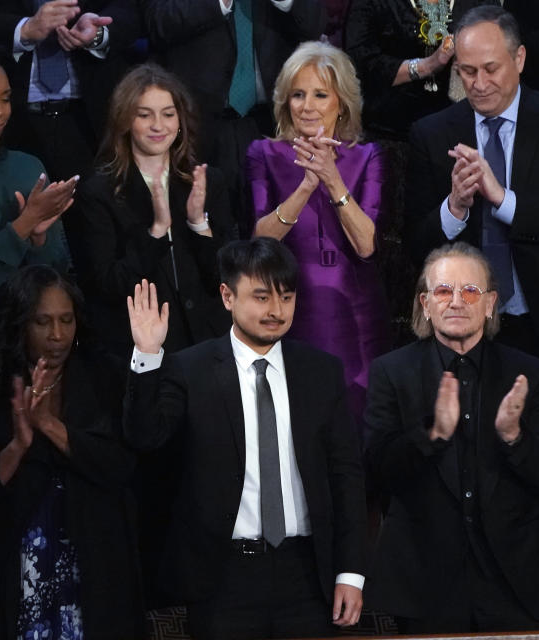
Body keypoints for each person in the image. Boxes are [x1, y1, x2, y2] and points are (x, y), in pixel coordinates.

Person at [123, 237, 366, 639]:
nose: (276, 310)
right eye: (261, 296)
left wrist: (351, 572)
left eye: (286, 297)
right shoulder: (190, 368)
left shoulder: (320, 372)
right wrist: (147, 356)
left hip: (307, 574)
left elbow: (346, 475)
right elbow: (144, 438)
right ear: (226, 296)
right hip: (221, 578)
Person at [364, 242, 539, 632]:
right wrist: (433, 435)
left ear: (490, 303)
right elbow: (378, 473)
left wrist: (514, 437)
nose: (456, 301)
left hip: (516, 582)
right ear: (425, 304)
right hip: (424, 586)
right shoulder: (391, 372)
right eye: (443, 291)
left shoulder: (531, 374)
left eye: (469, 291)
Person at [405, 5, 539, 359]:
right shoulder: (431, 133)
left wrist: (502, 199)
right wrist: (455, 208)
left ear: (520, 58)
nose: (479, 84)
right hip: (466, 325)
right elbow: (414, 244)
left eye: (491, 69)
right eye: (467, 71)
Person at [0, 265, 142, 639]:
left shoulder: (105, 377)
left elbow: (121, 467)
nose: (58, 335)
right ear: (19, 325)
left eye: (66, 320)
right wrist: (19, 444)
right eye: (42, 322)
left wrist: (50, 425)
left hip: (95, 556)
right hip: (16, 560)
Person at [248, 41, 389, 426]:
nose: (307, 105)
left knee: (356, 424)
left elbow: (365, 245)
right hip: (290, 310)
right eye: (298, 94)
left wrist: (332, 178)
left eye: (320, 94)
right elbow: (261, 240)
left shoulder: (367, 155)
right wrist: (306, 186)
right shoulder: (264, 153)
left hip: (354, 311)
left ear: (340, 102)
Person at [73, 63, 234, 359]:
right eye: (144, 115)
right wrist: (157, 232)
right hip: (141, 348)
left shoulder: (209, 181)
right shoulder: (100, 192)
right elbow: (108, 286)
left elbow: (224, 280)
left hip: (208, 342)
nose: (158, 126)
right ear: (125, 120)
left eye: (168, 114)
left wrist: (199, 224)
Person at [141, 0, 325, 236]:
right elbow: (157, 23)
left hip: (271, 122)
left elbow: (313, 23)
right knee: (206, 231)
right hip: (199, 123)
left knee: (272, 236)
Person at [0, 40, 74, 370]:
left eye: (6, 98)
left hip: (32, 340)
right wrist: (23, 226)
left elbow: (57, 270)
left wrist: (37, 241)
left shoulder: (28, 166)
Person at [0, 0, 141, 182]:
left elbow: (128, 8)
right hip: (10, 118)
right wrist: (22, 29)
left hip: (90, 118)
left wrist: (98, 34)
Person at [344, 0, 494, 141]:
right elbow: (359, 61)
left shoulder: (479, 3)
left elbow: (500, 43)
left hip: (460, 133)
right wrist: (428, 65)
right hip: (389, 135)